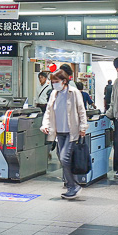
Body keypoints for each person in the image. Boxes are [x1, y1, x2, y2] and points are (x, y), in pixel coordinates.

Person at [41, 70, 88, 200]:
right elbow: (48, 111)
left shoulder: (74, 92)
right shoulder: (54, 94)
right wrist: (45, 125)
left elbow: (81, 110)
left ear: (64, 81)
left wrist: (83, 127)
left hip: (71, 132)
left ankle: (73, 186)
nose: (54, 84)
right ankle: (71, 185)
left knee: (64, 158)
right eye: (53, 82)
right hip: (59, 132)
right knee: (62, 158)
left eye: (56, 82)